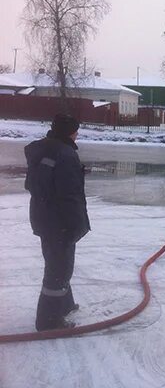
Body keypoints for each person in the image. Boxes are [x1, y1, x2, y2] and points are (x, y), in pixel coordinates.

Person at [24, 114, 90, 331]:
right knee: (58, 269)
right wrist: (76, 224)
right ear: (69, 132)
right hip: (59, 220)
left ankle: (64, 305)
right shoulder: (65, 154)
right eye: (75, 130)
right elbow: (69, 194)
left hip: (44, 217)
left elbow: (37, 185)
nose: (77, 134)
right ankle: (48, 321)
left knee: (57, 262)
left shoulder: (45, 149)